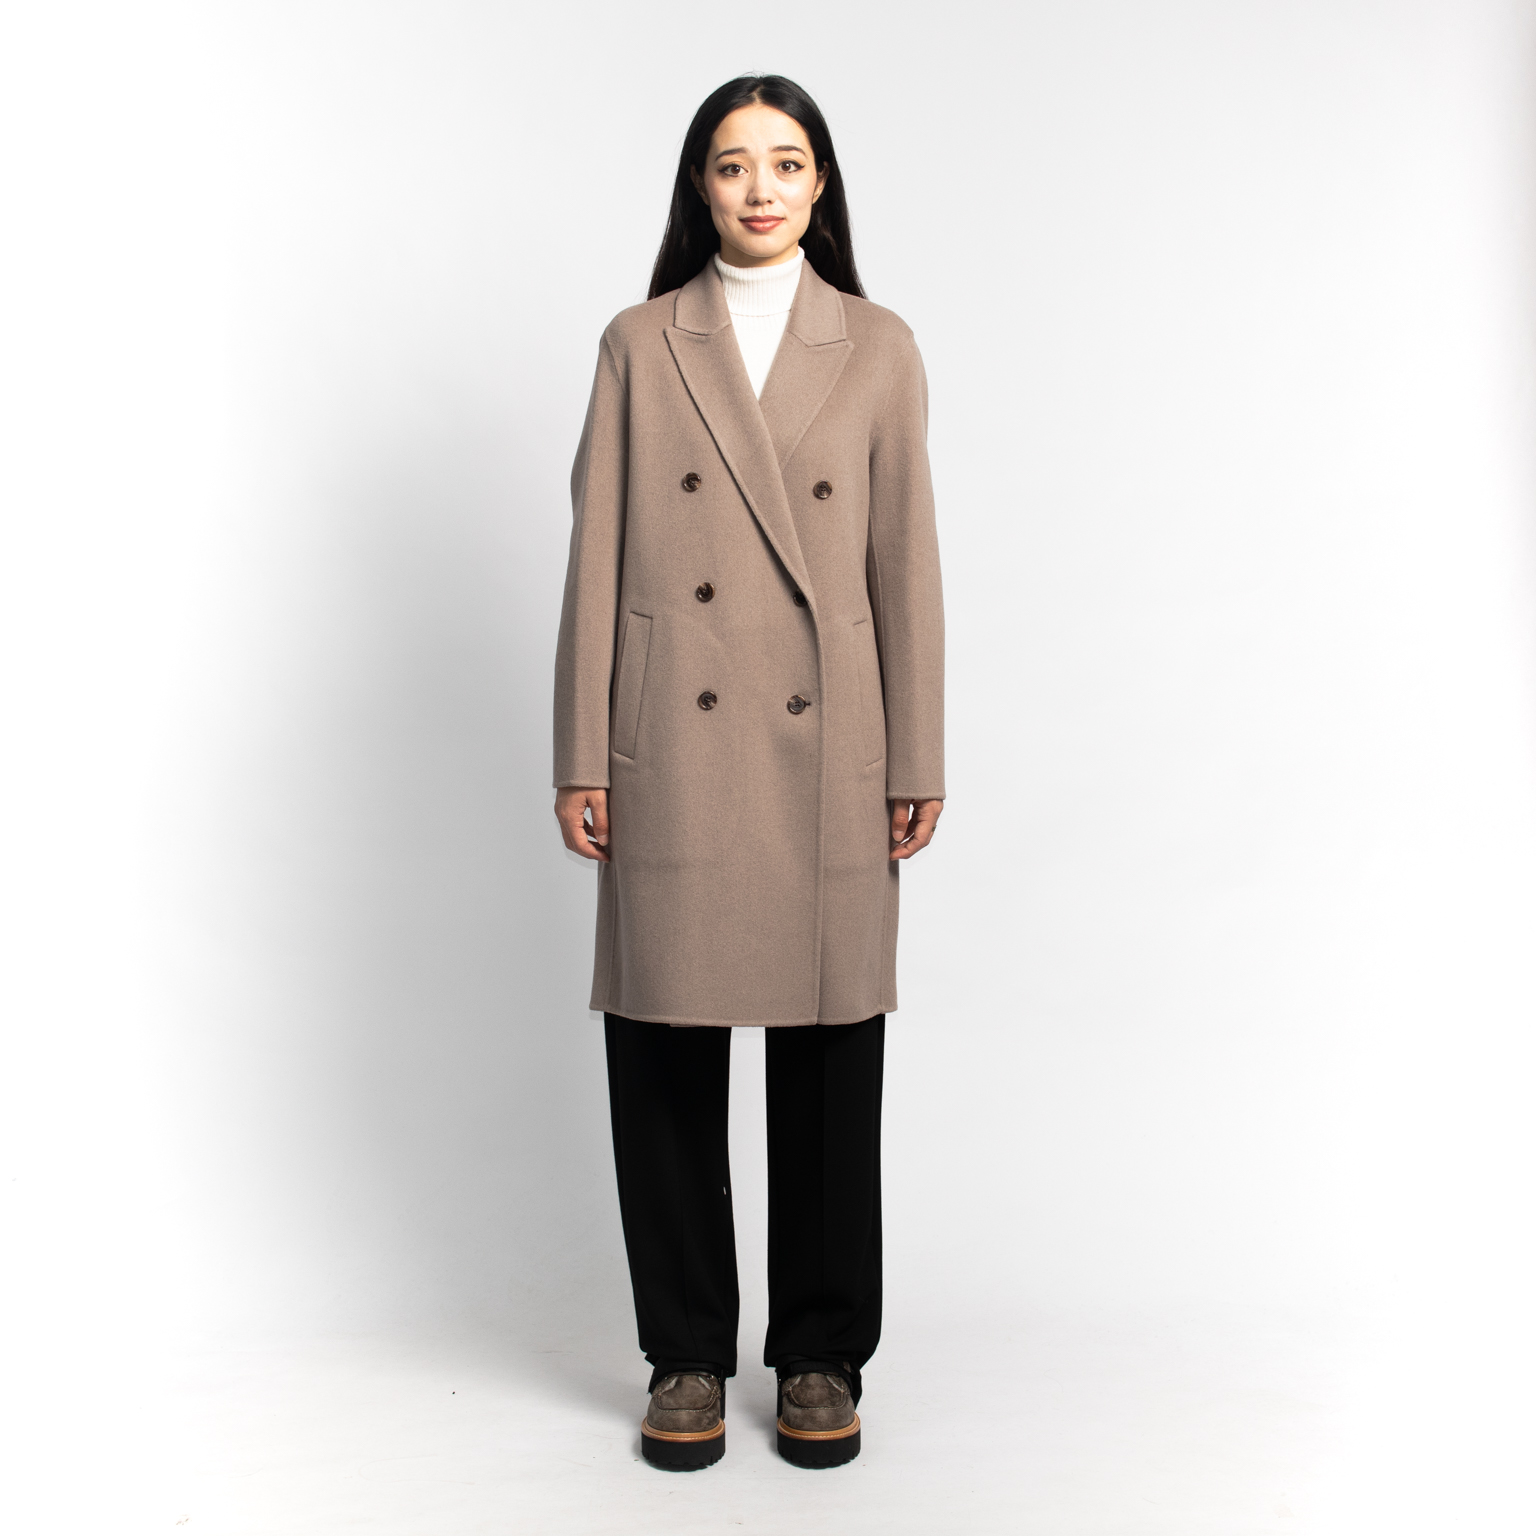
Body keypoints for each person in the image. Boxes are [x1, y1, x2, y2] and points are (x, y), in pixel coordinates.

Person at [552, 73, 944, 1471]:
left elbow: (906, 563)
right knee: (663, 1041)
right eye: (732, 165)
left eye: (786, 162)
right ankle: (685, 1354)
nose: (760, 187)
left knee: (832, 1050)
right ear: (700, 188)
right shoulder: (640, 341)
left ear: (821, 184)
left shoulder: (879, 346)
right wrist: (581, 747)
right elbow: (597, 554)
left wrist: (918, 749)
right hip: (677, 733)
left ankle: (822, 1350)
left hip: (832, 737)